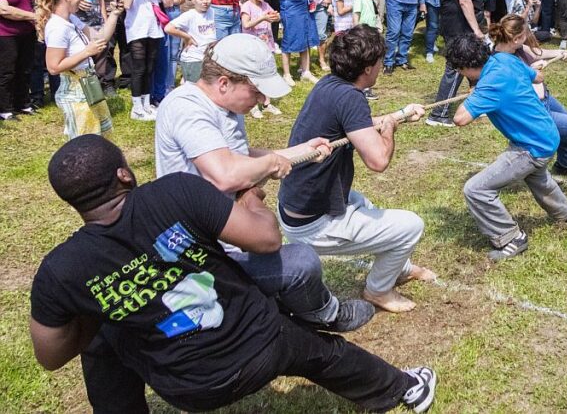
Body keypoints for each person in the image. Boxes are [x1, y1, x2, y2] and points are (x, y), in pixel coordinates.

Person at [30, 135, 437, 414]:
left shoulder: (60, 271)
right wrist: (250, 198)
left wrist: (103, 308)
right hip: (263, 344)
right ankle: (406, 388)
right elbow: (266, 240)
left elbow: (51, 356)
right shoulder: (175, 192)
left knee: (102, 338)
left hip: (186, 388)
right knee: (327, 354)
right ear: (123, 174)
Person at [155, 34, 377, 332]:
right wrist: (273, 163)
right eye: (256, 91)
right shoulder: (187, 108)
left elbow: (238, 155)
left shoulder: (225, 107)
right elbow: (224, 175)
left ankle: (260, 303)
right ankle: (326, 314)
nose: (263, 100)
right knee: (301, 262)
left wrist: (301, 151)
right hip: (201, 254)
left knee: (279, 253)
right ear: (224, 83)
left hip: (226, 230)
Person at [279, 27, 436, 313]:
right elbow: (378, 161)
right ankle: (378, 291)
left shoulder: (330, 85)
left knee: (366, 205)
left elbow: (357, 125)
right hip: (311, 225)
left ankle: (399, 268)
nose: (381, 66)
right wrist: (390, 129)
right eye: (380, 61)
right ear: (367, 68)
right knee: (411, 225)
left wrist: (399, 114)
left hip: (297, 206)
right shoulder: (351, 97)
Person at [447, 35, 567, 261]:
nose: (461, 75)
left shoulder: (489, 86)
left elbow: (460, 119)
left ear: (466, 67)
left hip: (531, 146)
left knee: (475, 189)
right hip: (547, 134)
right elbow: (538, 76)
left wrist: (475, 94)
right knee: (537, 177)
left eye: (460, 71)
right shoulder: (504, 59)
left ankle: (511, 238)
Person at [492, 15, 567, 198]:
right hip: (537, 111)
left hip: (546, 100)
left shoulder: (515, 47)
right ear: (515, 38)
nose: (529, 36)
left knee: (566, 122)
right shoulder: (501, 63)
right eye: (525, 34)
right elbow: (519, 90)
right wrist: (532, 71)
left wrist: (559, 53)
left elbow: (537, 53)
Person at [36, 0, 121, 138]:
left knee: (101, 138)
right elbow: (53, 67)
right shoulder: (57, 27)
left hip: (88, 86)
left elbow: (100, 38)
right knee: (85, 144)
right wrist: (86, 52)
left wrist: (115, 14)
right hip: (74, 93)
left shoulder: (71, 20)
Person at [426, 0, 486, 127]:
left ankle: (477, 105)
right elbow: (465, 1)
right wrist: (476, 29)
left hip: (451, 22)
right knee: (456, 67)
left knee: (474, 63)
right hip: (459, 25)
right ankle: (438, 114)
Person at [118, 0, 173, 120]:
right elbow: (127, 4)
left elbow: (168, 3)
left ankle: (146, 104)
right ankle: (136, 107)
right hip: (136, 28)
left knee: (150, 67)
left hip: (153, 28)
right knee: (139, 68)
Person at [0, 0, 36, 121]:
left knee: (25, 69)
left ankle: (22, 103)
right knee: (7, 72)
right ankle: (5, 109)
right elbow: (4, 10)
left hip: (26, 32)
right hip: (6, 34)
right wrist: (33, 16)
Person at [164, 0, 217, 83]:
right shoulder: (190, 15)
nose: (205, 2)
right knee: (195, 87)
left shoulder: (212, 11)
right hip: (194, 59)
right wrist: (187, 37)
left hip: (208, 58)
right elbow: (168, 28)